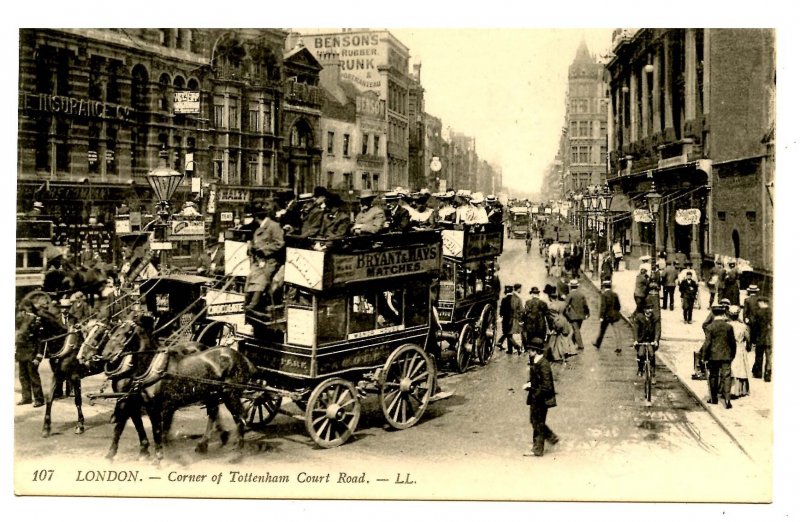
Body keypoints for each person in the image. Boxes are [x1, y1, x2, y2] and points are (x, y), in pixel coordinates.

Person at [523, 337, 559, 457]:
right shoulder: (538, 361)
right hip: (538, 398)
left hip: (540, 399)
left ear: (535, 350)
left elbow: (546, 386)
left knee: (537, 423)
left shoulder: (543, 364)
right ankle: (551, 437)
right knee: (535, 421)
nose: (528, 351)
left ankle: (538, 449)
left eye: (530, 350)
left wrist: (533, 389)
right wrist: (530, 384)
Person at [701, 303, 737, 408]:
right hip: (726, 355)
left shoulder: (709, 327)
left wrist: (704, 357)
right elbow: (732, 343)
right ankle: (727, 400)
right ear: (724, 313)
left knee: (713, 376)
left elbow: (707, 343)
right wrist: (732, 355)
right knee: (726, 377)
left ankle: (714, 398)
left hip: (713, 356)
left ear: (713, 313)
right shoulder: (729, 327)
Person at [15, 305, 45, 407]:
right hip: (21, 353)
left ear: (24, 312)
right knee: (23, 376)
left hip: (31, 352)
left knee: (33, 376)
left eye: (20, 312)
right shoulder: (17, 321)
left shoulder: (33, 321)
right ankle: (26, 398)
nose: (18, 315)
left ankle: (39, 399)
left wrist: (39, 355)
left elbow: (40, 340)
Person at [631, 302, 661, 382]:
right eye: (647, 309)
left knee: (651, 355)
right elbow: (635, 330)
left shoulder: (655, 318)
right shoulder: (639, 317)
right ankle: (640, 369)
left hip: (651, 340)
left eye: (651, 309)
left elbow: (658, 330)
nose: (649, 311)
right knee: (641, 354)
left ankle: (653, 374)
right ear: (644, 310)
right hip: (641, 340)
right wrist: (636, 340)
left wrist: (656, 340)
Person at [747, 290, 772, 382]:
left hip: (760, 338)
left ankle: (758, 373)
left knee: (759, 356)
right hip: (770, 339)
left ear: (762, 303)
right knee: (769, 357)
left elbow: (754, 326)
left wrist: (752, 339)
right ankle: (768, 374)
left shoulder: (758, 313)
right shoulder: (772, 312)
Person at [726, 305, 750, 399]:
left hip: (729, 348)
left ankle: (729, 389)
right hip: (739, 348)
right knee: (740, 368)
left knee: (731, 368)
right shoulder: (743, 326)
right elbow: (748, 339)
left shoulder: (728, 325)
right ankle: (740, 390)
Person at [594, 280, 622, 352]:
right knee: (617, 331)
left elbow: (603, 307)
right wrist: (616, 311)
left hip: (607, 316)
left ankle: (598, 343)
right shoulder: (615, 294)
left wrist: (601, 316)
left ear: (604, 286)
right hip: (615, 315)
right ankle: (619, 347)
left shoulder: (604, 295)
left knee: (602, 330)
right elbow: (618, 306)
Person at [563, 279, 590, 350]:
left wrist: (564, 313)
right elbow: (585, 306)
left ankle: (580, 345)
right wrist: (587, 313)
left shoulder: (570, 295)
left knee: (576, 330)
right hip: (581, 315)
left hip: (573, 316)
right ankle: (572, 342)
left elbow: (565, 305)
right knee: (577, 329)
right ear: (577, 286)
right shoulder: (581, 295)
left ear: (570, 287)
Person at [497, 286, 522, 354]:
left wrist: (501, 316)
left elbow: (501, 311)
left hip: (506, 320)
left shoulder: (504, 299)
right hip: (513, 319)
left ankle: (517, 347)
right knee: (509, 334)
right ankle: (510, 350)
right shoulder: (515, 299)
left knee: (507, 334)